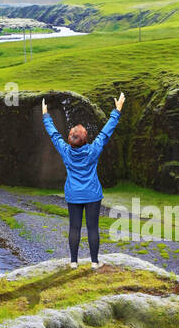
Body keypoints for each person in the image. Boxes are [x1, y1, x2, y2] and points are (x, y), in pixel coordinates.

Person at [42, 92, 124, 269]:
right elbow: (106, 132)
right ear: (85, 139)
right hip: (93, 194)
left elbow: (54, 134)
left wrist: (45, 115)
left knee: (75, 228)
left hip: (73, 194)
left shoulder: (65, 150)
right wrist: (117, 110)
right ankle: (94, 262)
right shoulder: (93, 150)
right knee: (93, 228)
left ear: (71, 140)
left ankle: (73, 262)